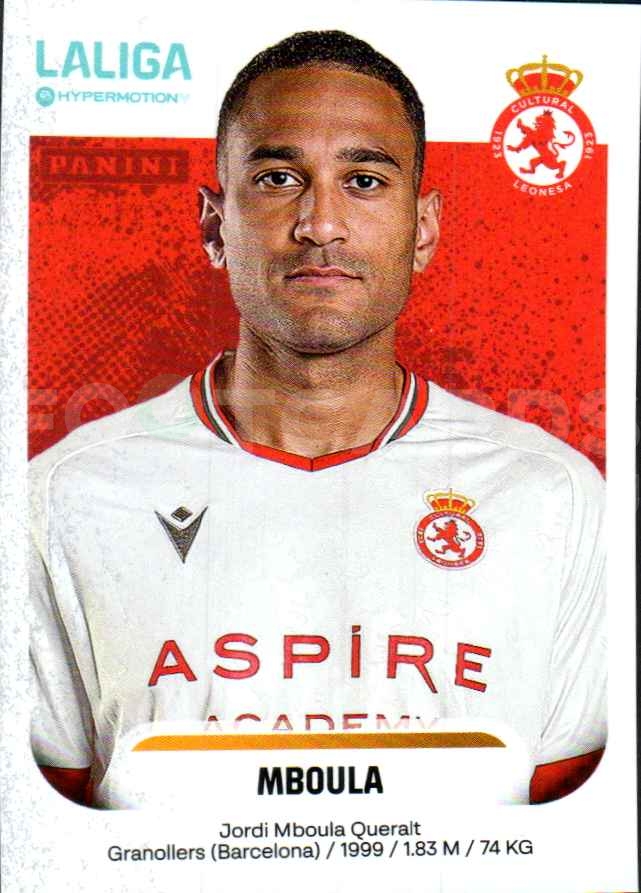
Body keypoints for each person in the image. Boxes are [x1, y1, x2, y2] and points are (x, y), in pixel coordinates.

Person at [30, 30, 605, 809]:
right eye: (277, 178)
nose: (320, 224)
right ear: (213, 224)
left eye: (363, 180)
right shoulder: (67, 493)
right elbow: (48, 826)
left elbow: (570, 829)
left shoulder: (551, 497)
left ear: (423, 228)